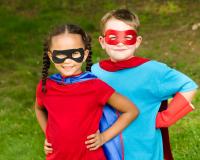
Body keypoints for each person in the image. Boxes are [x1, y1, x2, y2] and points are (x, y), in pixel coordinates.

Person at [90, 9, 198, 160]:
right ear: (102, 42)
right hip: (107, 147)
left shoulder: (152, 70)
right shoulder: (95, 71)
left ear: (137, 41)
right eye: (113, 37)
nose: (120, 43)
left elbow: (188, 85)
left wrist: (165, 118)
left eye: (127, 37)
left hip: (144, 149)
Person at [34, 24, 139, 160]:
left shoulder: (95, 87)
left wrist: (103, 137)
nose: (68, 60)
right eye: (60, 54)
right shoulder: (46, 86)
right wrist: (49, 134)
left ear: (85, 55)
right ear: (51, 56)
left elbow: (131, 111)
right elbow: (39, 108)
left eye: (75, 53)